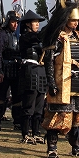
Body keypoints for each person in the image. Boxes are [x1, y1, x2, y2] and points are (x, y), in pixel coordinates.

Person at [41, 2, 79, 158]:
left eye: (77, 20)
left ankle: (76, 147)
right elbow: (49, 61)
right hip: (62, 82)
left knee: (78, 116)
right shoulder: (58, 37)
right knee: (57, 115)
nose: (76, 23)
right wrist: (51, 82)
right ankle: (52, 148)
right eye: (73, 20)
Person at [18, 10, 46, 144]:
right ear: (28, 24)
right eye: (35, 22)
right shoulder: (24, 37)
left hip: (41, 70)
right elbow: (36, 37)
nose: (37, 25)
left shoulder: (40, 40)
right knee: (29, 105)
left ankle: (36, 133)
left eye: (38, 23)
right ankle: (25, 134)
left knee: (39, 105)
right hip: (30, 70)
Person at [0, 11, 21, 131]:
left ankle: (17, 121)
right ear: (8, 21)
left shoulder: (16, 36)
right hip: (4, 68)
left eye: (17, 22)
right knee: (1, 95)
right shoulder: (2, 34)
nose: (15, 25)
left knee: (17, 96)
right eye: (13, 22)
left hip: (15, 69)